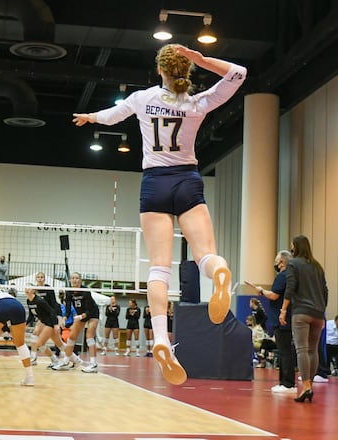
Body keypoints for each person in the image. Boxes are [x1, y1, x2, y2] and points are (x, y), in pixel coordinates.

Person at [73, 44, 246, 385]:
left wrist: (91, 117)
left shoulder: (143, 98)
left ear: (160, 70)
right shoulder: (196, 104)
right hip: (187, 179)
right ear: (187, 70)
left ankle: (163, 340)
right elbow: (238, 74)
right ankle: (219, 271)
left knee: (159, 268)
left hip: (155, 183)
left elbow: (113, 115)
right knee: (205, 255)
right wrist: (201, 59)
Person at [280, 235, 328, 403]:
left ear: (296, 247)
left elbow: (290, 287)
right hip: (318, 313)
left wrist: (283, 310)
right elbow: (325, 291)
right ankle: (310, 385)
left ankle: (306, 386)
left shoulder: (293, 264)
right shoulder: (318, 266)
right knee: (313, 350)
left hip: (301, 312)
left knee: (301, 349)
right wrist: (322, 310)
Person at [248, 250, 296, 393]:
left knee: (284, 351)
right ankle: (285, 382)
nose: (275, 263)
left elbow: (274, 295)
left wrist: (261, 290)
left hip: (281, 319)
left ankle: (287, 384)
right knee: (285, 351)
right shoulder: (291, 276)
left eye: (276, 261)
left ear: (282, 262)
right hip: (288, 318)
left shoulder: (282, 276)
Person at [53, 272, 100, 373]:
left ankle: (93, 364)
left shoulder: (85, 291)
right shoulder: (69, 292)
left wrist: (82, 316)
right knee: (71, 337)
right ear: (70, 280)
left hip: (92, 313)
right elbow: (68, 307)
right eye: (73, 278)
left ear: (80, 280)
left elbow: (89, 309)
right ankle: (66, 361)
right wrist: (65, 317)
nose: (75, 280)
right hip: (80, 314)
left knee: (89, 337)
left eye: (77, 278)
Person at [25, 285, 66, 368]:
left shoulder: (39, 300)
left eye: (29, 287)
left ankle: (57, 360)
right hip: (44, 321)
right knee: (58, 343)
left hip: (50, 321)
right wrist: (25, 324)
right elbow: (31, 315)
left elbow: (52, 311)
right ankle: (75, 359)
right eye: (26, 288)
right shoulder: (29, 301)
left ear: (33, 290)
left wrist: (55, 324)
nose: (27, 289)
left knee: (42, 343)